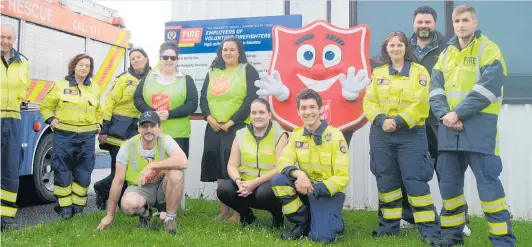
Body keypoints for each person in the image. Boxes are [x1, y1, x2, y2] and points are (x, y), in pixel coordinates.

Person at [429, 5, 516, 247]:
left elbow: (489, 87)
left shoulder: (488, 49)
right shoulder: (445, 54)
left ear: (475, 22)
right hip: (449, 129)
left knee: (489, 188)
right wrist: (445, 115)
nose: (460, 24)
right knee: (449, 186)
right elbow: (435, 90)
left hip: (479, 129)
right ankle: (452, 235)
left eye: (465, 20)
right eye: (456, 20)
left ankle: (502, 240)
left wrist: (457, 114)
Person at [362, 31, 440, 245]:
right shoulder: (377, 74)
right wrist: (381, 120)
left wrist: (398, 121)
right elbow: (369, 102)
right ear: (386, 49)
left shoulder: (419, 72)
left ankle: (430, 230)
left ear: (407, 48)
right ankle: (388, 227)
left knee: (415, 181)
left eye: (399, 45)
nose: (395, 48)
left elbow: (422, 103)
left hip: (410, 134)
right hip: (381, 134)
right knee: (386, 179)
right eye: (391, 45)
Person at [271, 88, 349, 243]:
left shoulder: (335, 136)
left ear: (320, 109)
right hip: (305, 188)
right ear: (298, 111)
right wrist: (300, 175)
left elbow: (342, 177)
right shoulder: (296, 135)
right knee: (279, 181)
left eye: (312, 107)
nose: (308, 112)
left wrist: (315, 188)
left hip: (328, 193)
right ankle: (302, 223)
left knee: (321, 238)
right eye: (304, 108)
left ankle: (335, 222)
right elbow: (282, 162)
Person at [96, 111, 187, 234]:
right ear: (138, 128)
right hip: (140, 188)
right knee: (128, 205)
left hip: (163, 187)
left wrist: (153, 166)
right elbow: (118, 181)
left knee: (177, 174)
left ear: (160, 128)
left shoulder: (166, 140)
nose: (148, 130)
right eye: (144, 126)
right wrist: (110, 215)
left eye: (153, 126)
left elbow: (183, 161)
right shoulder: (127, 146)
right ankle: (145, 213)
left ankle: (170, 219)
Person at [199, 37, 259, 222]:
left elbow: (251, 99)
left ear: (239, 52)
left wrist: (231, 122)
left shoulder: (247, 70)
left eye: (232, 50)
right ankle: (224, 211)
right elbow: (203, 98)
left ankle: (239, 212)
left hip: (237, 127)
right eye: (225, 50)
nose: (228, 53)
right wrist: (209, 118)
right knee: (219, 168)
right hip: (214, 128)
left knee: (235, 168)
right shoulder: (212, 71)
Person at [39, 53, 102, 219]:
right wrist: (51, 119)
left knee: (84, 173)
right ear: (74, 66)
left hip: (87, 137)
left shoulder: (94, 88)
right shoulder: (60, 85)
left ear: (90, 70)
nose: (83, 68)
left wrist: (99, 124)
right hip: (64, 135)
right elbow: (45, 105)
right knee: (62, 170)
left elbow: (99, 111)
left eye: (87, 66)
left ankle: (78, 209)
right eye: (81, 65)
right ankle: (65, 210)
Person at [216, 98, 288, 228]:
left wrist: (254, 183)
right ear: (250, 115)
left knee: (264, 194)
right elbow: (232, 165)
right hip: (245, 182)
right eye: (254, 113)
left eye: (261, 112)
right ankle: (248, 215)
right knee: (224, 190)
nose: (257, 116)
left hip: (268, 183)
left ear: (269, 115)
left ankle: (278, 216)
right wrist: (238, 181)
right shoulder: (241, 134)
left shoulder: (279, 134)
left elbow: (280, 168)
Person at [95, 47, 151, 210]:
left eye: (138, 57)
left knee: (135, 168)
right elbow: (109, 102)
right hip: (119, 129)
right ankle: (102, 188)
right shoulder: (123, 79)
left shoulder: (153, 78)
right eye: (132, 58)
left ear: (146, 58)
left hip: (140, 129)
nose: (135, 60)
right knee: (119, 169)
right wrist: (104, 128)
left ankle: (123, 200)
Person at [134, 42, 198, 158]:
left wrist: (170, 114)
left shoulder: (186, 79)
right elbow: (137, 98)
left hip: (178, 135)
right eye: (165, 57)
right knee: (151, 172)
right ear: (160, 58)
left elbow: (192, 104)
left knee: (175, 173)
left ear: (177, 60)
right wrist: (152, 113)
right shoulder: (149, 77)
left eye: (173, 58)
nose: (169, 60)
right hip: (150, 133)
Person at [1, 24, 30, 231]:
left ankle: (6, 218)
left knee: (10, 169)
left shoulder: (23, 63)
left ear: (15, 39)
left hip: (12, 120)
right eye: (2, 37)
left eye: (9, 37)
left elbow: (25, 88)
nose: (5, 41)